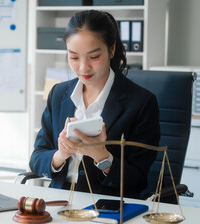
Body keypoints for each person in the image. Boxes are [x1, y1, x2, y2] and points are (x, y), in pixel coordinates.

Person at [29, 10, 160, 199]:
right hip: (59, 202)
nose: (83, 67)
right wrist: (61, 154)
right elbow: (36, 158)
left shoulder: (141, 103)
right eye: (74, 57)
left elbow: (138, 181)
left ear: (111, 49)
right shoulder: (58, 94)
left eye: (94, 57)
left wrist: (102, 157)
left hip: (106, 204)